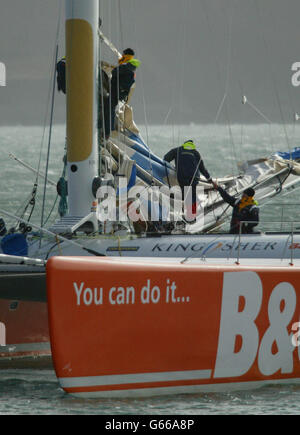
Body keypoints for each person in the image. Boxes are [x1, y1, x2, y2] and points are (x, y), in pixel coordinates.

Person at [164, 140, 212, 220]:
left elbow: (166, 159)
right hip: (194, 178)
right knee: (192, 195)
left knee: (186, 194)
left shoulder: (177, 150)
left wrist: (172, 168)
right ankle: (192, 216)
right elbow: (202, 169)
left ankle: (186, 215)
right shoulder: (196, 153)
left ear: (184, 144)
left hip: (182, 177)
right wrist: (209, 179)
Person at [104, 48, 141, 138]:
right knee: (112, 109)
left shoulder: (126, 66)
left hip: (117, 92)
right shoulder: (130, 67)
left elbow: (115, 72)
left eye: (123, 54)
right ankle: (111, 130)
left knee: (109, 109)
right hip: (121, 93)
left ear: (126, 55)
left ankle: (110, 131)